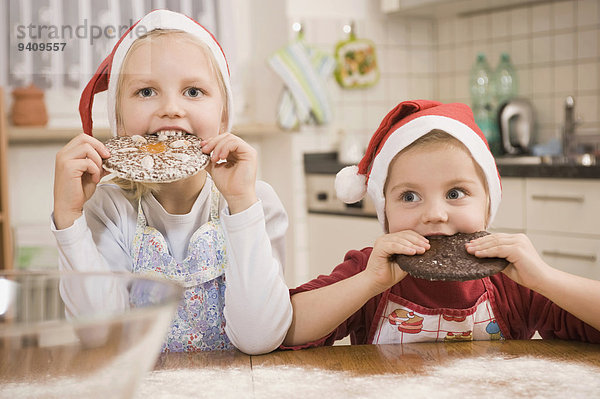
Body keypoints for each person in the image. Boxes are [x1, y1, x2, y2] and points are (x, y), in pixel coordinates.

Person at [52, 9, 292, 354]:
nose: (171, 109)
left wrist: (241, 207)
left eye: (193, 92)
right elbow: (102, 338)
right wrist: (68, 219)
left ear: (224, 116)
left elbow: (260, 338)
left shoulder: (256, 202)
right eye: (146, 91)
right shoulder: (108, 208)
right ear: (118, 120)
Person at [283, 100, 600, 348]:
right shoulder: (370, 270)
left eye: (455, 192)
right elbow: (284, 328)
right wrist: (368, 283)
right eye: (409, 196)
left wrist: (544, 278)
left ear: (489, 203)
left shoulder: (515, 280)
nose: (435, 214)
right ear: (385, 212)